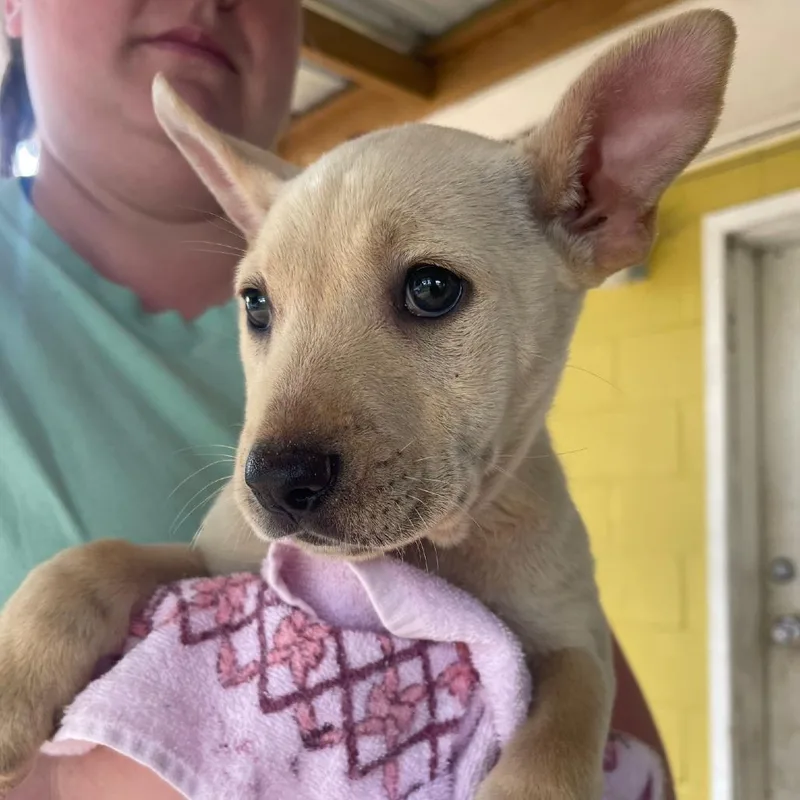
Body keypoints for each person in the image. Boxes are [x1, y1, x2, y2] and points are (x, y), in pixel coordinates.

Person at [0, 0, 674, 795]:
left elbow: (589, 681)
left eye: (428, 291)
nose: (278, 457)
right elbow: (208, 568)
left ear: (595, 213)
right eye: (260, 307)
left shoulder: (528, 515)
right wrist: (78, 590)